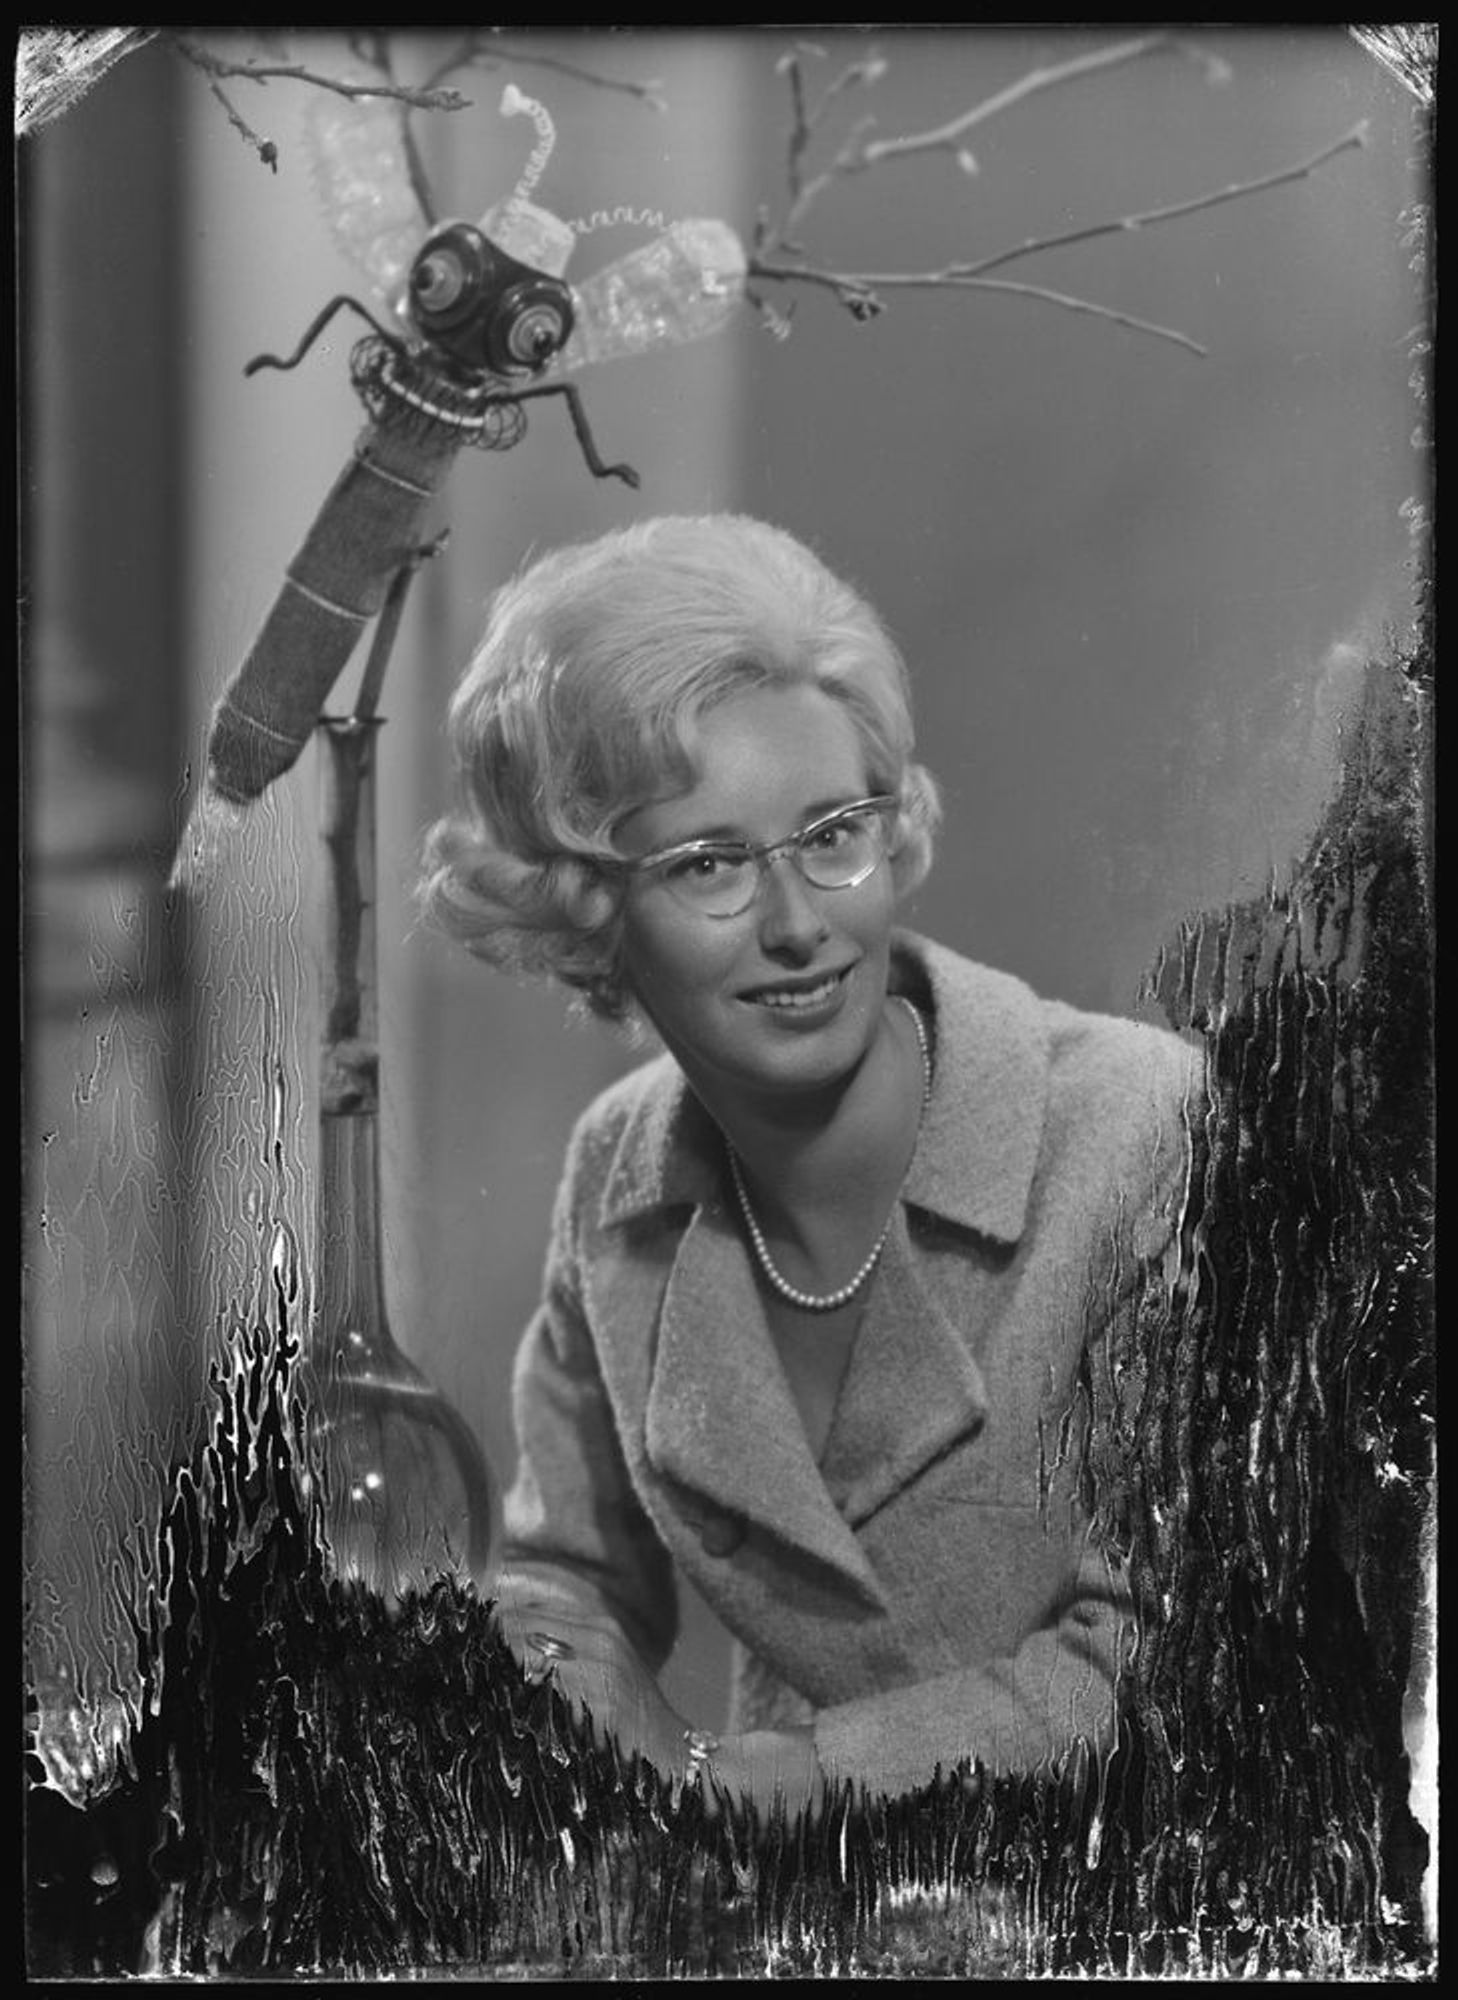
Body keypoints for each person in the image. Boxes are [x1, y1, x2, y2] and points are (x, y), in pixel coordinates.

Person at [417, 514, 1201, 1811]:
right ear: (588, 912)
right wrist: (532, 1667)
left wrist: (735, 1783)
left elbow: (1174, 1666)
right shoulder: (619, 1168)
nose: (796, 926)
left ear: (893, 832)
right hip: (805, 1926)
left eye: (833, 832)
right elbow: (570, 1579)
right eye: (708, 864)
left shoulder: (1156, 1134)